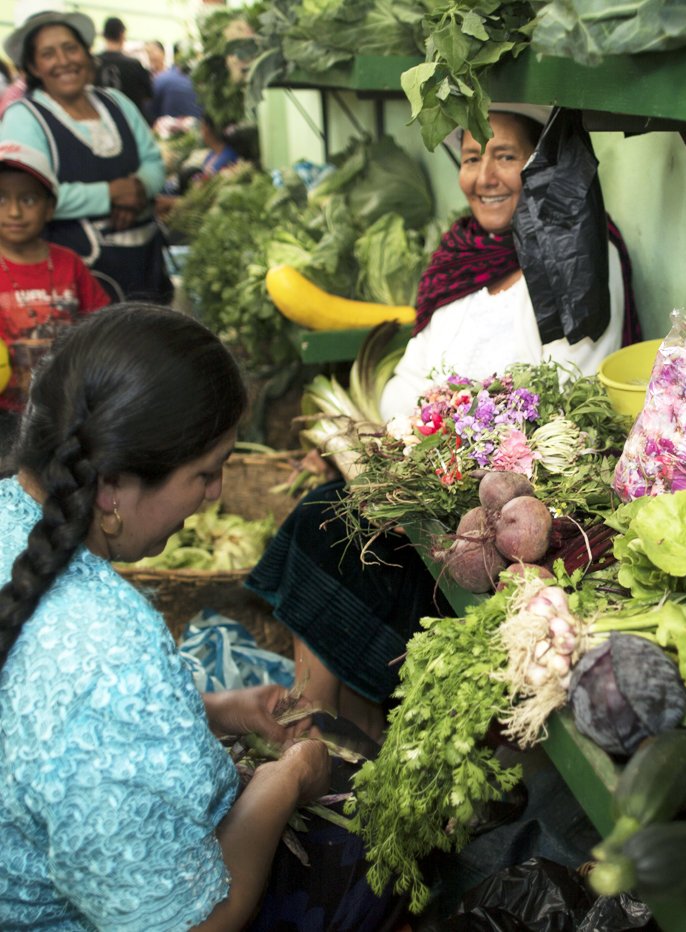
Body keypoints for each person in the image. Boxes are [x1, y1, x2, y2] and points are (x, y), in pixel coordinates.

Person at [0, 304, 397, 930]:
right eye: (204, 475)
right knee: (377, 849)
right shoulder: (110, 655)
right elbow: (196, 923)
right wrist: (287, 779)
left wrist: (209, 710)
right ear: (110, 489)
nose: (214, 497)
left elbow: (46, 730)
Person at [246, 105, 635, 741]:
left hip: (507, 506)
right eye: (471, 157)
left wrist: (442, 422)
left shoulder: (577, 255)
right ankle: (328, 733)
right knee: (324, 520)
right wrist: (437, 423)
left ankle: (330, 739)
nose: (485, 175)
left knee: (336, 533)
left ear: (540, 166)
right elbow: (404, 385)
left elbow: (566, 397)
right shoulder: (461, 254)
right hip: (432, 482)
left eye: (506, 156)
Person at [0, 10, 172, 303]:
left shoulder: (116, 102)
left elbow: (154, 162)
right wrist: (110, 194)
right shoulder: (25, 118)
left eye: (71, 48)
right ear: (33, 66)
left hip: (144, 261)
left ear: (86, 53)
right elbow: (24, 197)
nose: (64, 61)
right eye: (48, 54)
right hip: (74, 279)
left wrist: (138, 189)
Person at [0, 139, 109, 454]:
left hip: (66, 412)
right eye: (2, 198)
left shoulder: (67, 263)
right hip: (5, 416)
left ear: (50, 208)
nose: (15, 211)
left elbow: (102, 326)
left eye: (29, 199)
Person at [95, 16, 153, 121]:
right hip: (130, 122)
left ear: (104, 36)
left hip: (101, 121)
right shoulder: (134, 64)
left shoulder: (93, 63)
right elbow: (149, 94)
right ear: (122, 35)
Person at [150, 42, 202, 121]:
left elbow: (152, 110)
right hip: (198, 129)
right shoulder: (202, 82)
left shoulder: (162, 79)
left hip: (169, 130)